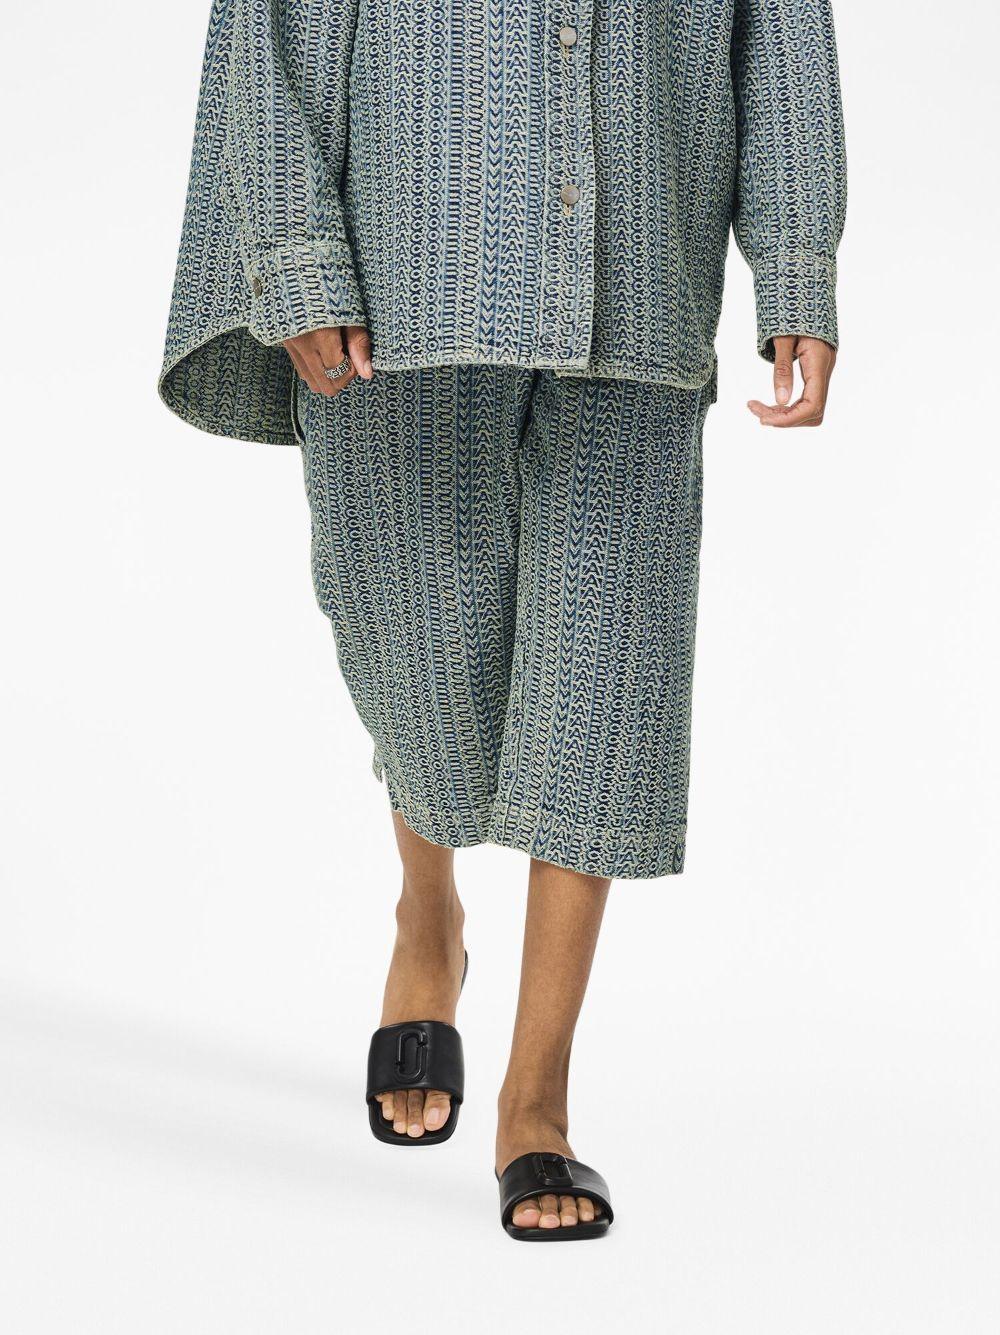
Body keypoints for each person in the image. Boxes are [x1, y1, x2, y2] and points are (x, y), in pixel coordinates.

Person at [159, 0, 846, 1240]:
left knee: (607, 676)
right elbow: (263, 25)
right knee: (417, 651)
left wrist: (797, 261)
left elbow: (783, 22)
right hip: (398, 255)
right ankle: (428, 914)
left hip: (642, 244)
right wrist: (296, 254)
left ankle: (538, 1104)